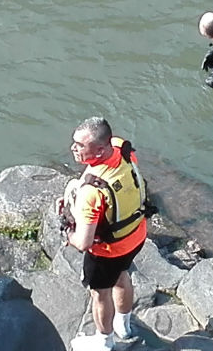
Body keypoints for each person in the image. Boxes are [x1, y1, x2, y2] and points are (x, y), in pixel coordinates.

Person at [58, 117, 153, 351]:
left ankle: (104, 341)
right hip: (136, 235)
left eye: (80, 145)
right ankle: (124, 324)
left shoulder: (92, 194)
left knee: (100, 294)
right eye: (74, 143)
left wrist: (65, 233)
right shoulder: (122, 149)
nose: (73, 148)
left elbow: (83, 242)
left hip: (107, 252)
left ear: (99, 149)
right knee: (122, 275)